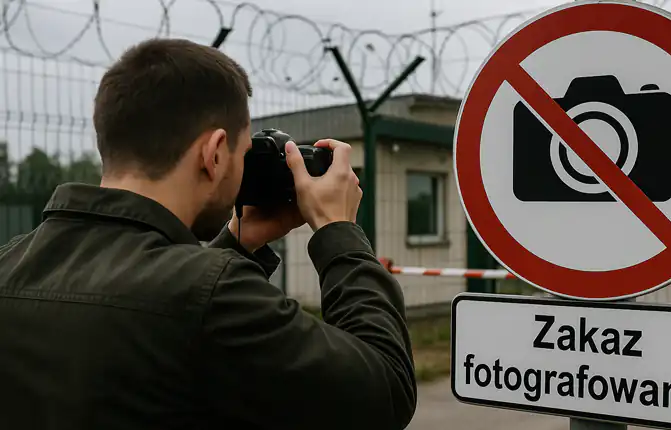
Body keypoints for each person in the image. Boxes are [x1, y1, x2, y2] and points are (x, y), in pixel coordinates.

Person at [0, 38, 416, 429]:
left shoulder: (10, 262)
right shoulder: (211, 295)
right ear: (214, 153)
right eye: (241, 154)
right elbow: (385, 393)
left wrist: (237, 243)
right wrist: (337, 230)